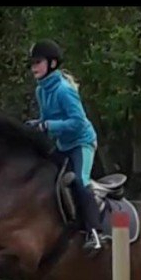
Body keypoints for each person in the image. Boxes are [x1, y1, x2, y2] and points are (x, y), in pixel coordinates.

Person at [25, 39, 106, 250]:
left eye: (37, 62)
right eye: (32, 63)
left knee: (80, 180)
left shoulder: (64, 90)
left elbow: (77, 122)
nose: (33, 67)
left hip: (82, 143)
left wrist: (48, 125)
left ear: (52, 64)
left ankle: (95, 233)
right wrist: (37, 124)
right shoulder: (41, 91)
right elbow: (46, 118)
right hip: (64, 144)